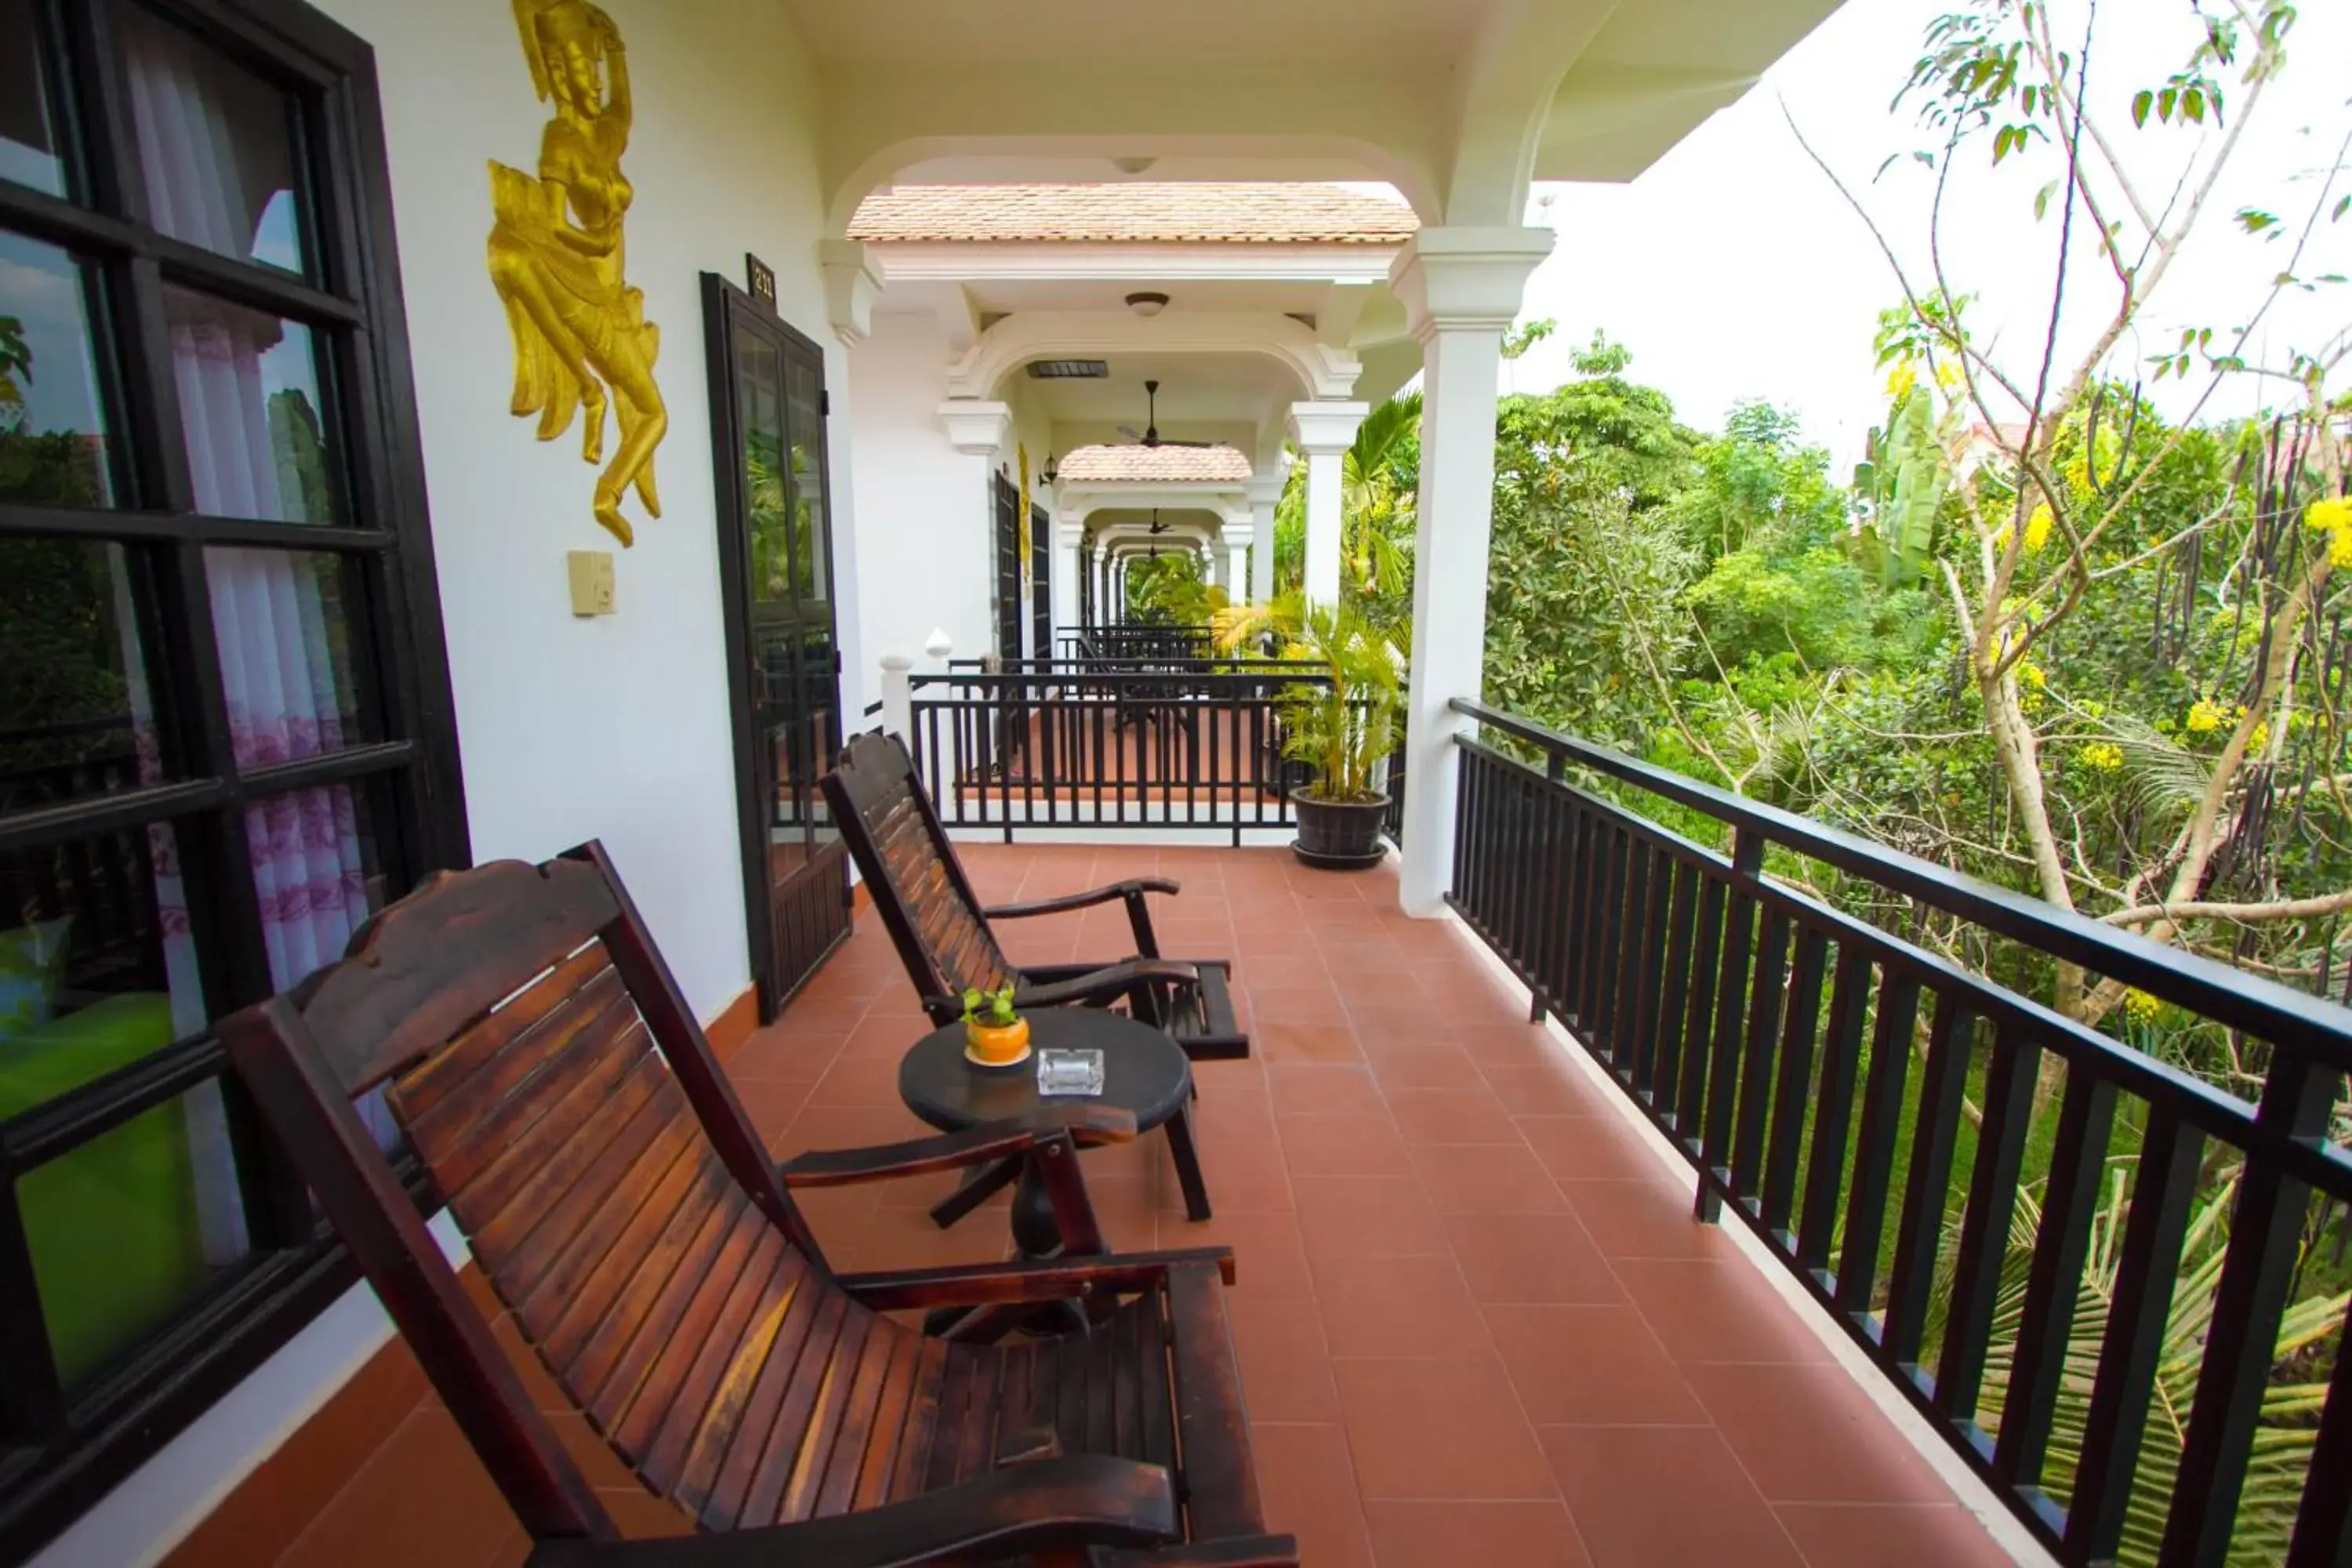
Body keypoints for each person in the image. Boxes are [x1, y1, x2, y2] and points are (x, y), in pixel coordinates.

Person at [487, 0, 667, 546]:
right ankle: (594, 418)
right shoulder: (560, 144)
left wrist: (616, 51)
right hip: (583, 286)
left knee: (654, 411)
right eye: (582, 68)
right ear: (561, 74)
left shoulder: (605, 142)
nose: (592, 81)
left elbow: (624, 111)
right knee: (651, 408)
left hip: (611, 296)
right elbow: (551, 221)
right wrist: (593, 239)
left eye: (592, 68)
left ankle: (606, 470)